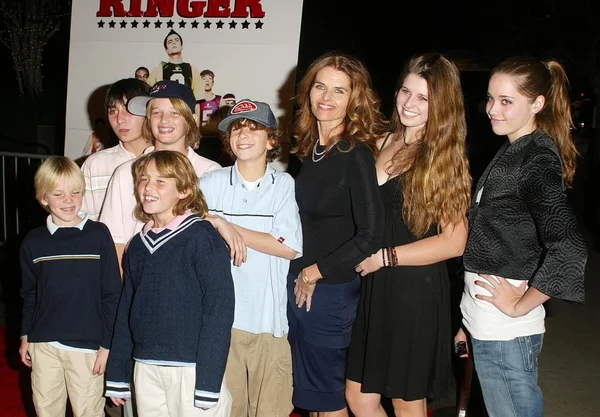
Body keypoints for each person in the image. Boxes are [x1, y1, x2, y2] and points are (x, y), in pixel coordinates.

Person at [455, 56, 587, 417]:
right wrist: (469, 320)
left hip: (506, 331)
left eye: (506, 101)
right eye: (490, 98)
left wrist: (520, 303)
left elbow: (570, 249)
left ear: (537, 104)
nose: (492, 110)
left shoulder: (536, 159)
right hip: (488, 324)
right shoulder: (514, 150)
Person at [345, 53, 472, 417]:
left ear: (441, 106)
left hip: (412, 291)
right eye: (405, 91)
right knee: (360, 397)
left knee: (405, 403)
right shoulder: (386, 139)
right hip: (373, 288)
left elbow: (454, 241)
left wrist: (386, 257)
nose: (409, 104)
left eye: (423, 98)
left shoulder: (440, 157)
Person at [287, 52, 386, 417]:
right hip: (305, 286)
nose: (326, 98)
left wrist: (315, 271)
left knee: (327, 400)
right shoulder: (312, 149)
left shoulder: (354, 153)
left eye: (339, 91)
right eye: (320, 86)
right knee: (314, 398)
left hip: (328, 293)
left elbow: (370, 235)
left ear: (354, 100)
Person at [105, 150, 235, 417]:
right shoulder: (138, 246)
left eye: (161, 181)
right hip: (146, 366)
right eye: (143, 179)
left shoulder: (202, 237)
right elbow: (127, 311)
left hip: (191, 368)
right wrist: (118, 373)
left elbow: (219, 310)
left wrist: (209, 382)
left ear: (185, 190)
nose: (148, 187)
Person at [199, 99, 302, 417]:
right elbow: (186, 228)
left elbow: (287, 246)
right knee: (226, 411)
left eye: (253, 127)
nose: (243, 134)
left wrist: (229, 226)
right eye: (236, 128)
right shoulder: (211, 182)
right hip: (220, 322)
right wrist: (215, 220)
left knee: (270, 410)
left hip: (267, 323)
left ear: (271, 139)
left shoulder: (282, 185)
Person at [19, 156, 121, 417]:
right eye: (58, 193)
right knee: (46, 411)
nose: (68, 200)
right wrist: (25, 336)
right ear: (44, 198)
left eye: (75, 192)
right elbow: (30, 293)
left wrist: (107, 345)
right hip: (43, 346)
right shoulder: (34, 242)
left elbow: (112, 293)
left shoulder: (99, 235)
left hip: (86, 348)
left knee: (89, 412)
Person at [99, 80, 223, 271]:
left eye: (174, 112)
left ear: (192, 119)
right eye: (156, 112)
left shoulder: (211, 173)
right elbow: (114, 242)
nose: (164, 120)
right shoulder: (126, 172)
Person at [82, 78, 151, 221]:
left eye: (128, 109)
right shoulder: (95, 165)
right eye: (113, 111)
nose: (120, 119)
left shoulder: (170, 161)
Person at [148, 30, 203, 99]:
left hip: (186, 108)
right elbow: (150, 98)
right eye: (170, 42)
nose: (173, 43)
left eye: (176, 40)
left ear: (182, 46)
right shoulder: (157, 71)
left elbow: (199, 99)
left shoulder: (193, 70)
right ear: (166, 50)